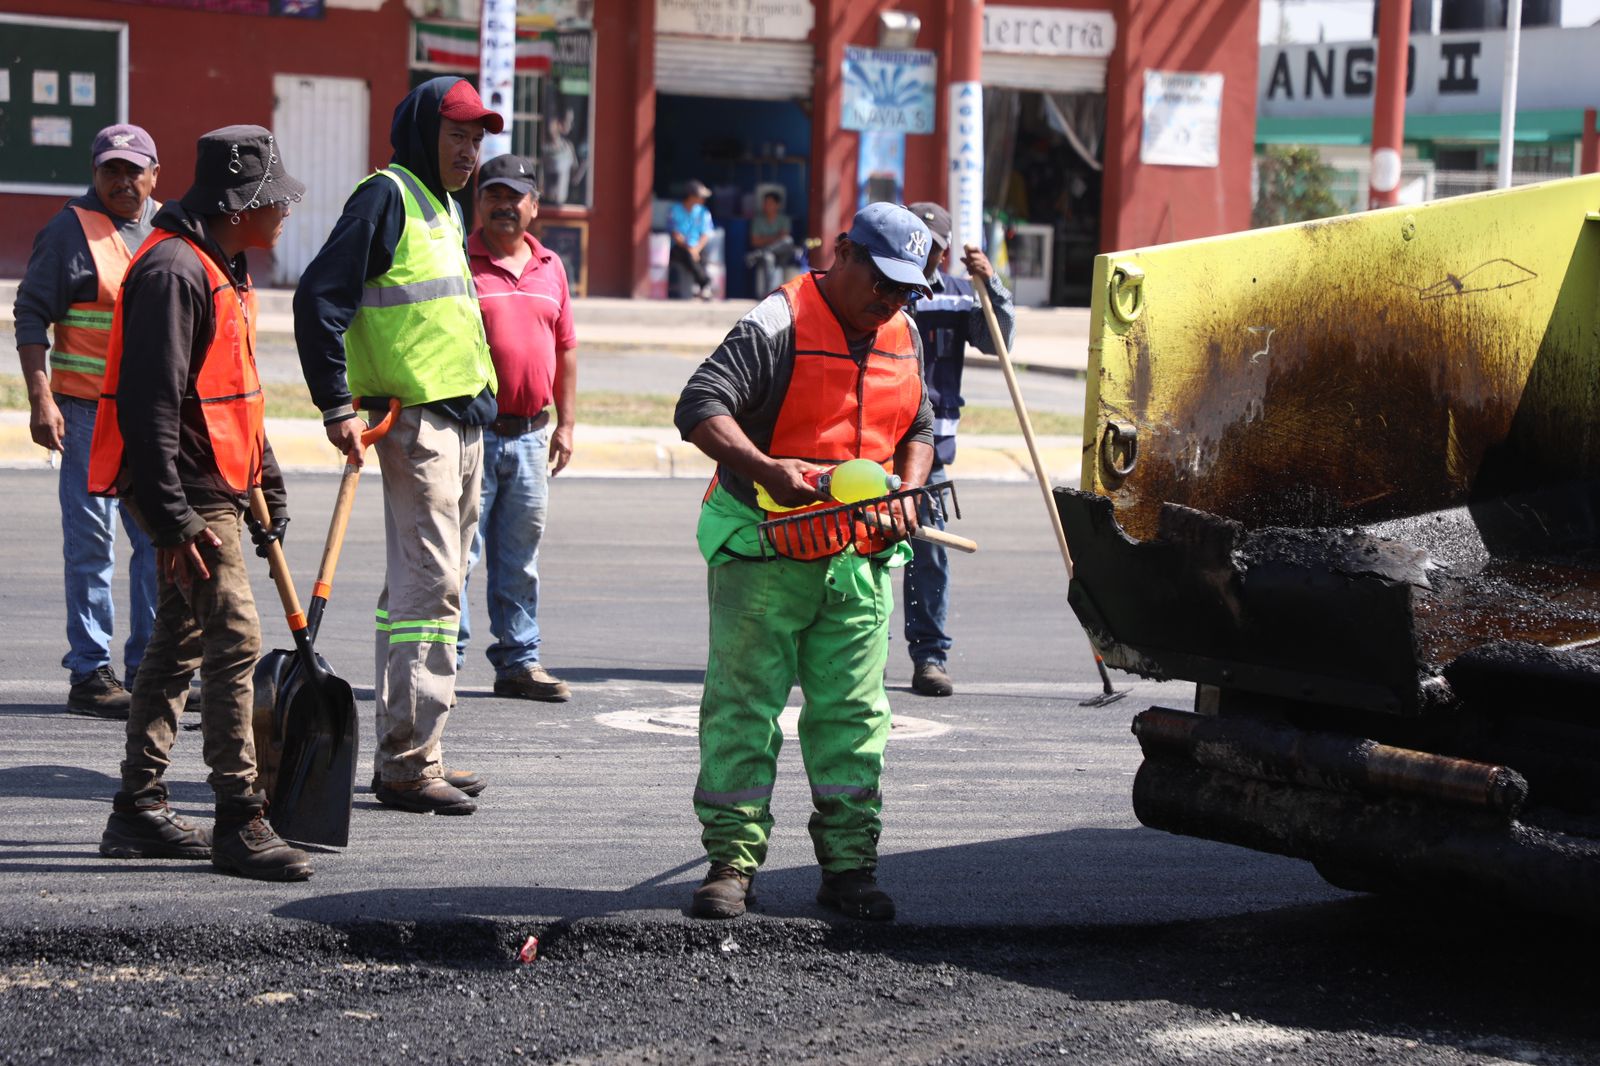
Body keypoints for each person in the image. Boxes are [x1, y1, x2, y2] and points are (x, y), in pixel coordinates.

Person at [674, 202, 936, 922]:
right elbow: (699, 404)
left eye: (904, 289)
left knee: (853, 716)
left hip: (858, 555)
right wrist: (764, 466)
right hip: (767, 549)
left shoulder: (903, 330)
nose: (890, 299)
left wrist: (909, 489)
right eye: (881, 280)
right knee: (742, 709)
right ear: (842, 252)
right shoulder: (778, 320)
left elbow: (919, 421)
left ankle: (850, 867)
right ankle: (731, 861)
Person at [89, 125, 311, 881]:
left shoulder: (223, 265)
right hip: (183, 491)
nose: (285, 212)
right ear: (239, 202)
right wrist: (176, 519)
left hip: (216, 483)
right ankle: (240, 817)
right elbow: (150, 409)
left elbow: (234, 392)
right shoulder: (175, 274)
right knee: (236, 638)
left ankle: (138, 808)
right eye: (275, 200)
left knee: (178, 642)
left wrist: (266, 479)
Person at [294, 77, 501, 817]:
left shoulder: (444, 205)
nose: (470, 150)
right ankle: (409, 763)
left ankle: (414, 748)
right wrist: (334, 404)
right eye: (457, 135)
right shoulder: (385, 196)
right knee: (430, 587)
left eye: (478, 138)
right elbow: (319, 295)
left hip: (464, 421)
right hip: (415, 427)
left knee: (422, 591)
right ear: (421, 131)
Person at [13, 124, 162, 718]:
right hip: (85, 415)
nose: (123, 182)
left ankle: (152, 665)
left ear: (156, 174)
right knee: (91, 544)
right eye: (111, 171)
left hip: (152, 419)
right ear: (95, 173)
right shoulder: (68, 231)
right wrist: (40, 397)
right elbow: (30, 314)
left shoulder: (169, 228)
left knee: (158, 539)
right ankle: (91, 674)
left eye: (134, 170)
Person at [458, 154, 576, 703]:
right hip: (473, 433)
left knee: (520, 558)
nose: (504, 206)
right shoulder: (460, 260)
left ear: (533, 205)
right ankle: (444, 664)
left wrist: (567, 424)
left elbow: (565, 349)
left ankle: (518, 662)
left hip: (532, 435)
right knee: (460, 553)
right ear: (478, 202)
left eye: (515, 197)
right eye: (493, 195)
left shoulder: (551, 266)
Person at [901, 203, 1016, 699]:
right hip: (870, 444)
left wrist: (991, 286)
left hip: (930, 451)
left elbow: (996, 340)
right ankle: (841, 653)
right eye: (912, 240)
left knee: (929, 553)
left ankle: (929, 656)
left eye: (928, 244)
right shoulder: (881, 291)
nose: (919, 251)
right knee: (855, 551)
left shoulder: (953, 297)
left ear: (943, 251)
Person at [744, 190, 797, 297]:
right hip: (768, 253)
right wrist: (775, 237)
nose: (766, 206)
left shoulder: (784, 219)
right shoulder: (758, 220)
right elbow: (755, 241)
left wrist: (765, 239)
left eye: (770, 203)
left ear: (778, 205)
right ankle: (769, 294)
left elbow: (784, 239)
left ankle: (759, 254)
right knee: (768, 257)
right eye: (765, 203)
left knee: (788, 240)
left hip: (783, 254)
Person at [668, 180, 715, 300]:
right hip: (681, 248)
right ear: (691, 196)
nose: (703, 199)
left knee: (703, 256)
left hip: (698, 247)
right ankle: (705, 283)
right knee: (688, 256)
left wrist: (696, 249)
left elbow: (705, 234)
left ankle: (700, 286)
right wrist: (690, 249)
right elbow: (676, 234)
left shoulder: (703, 211)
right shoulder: (675, 210)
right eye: (700, 196)